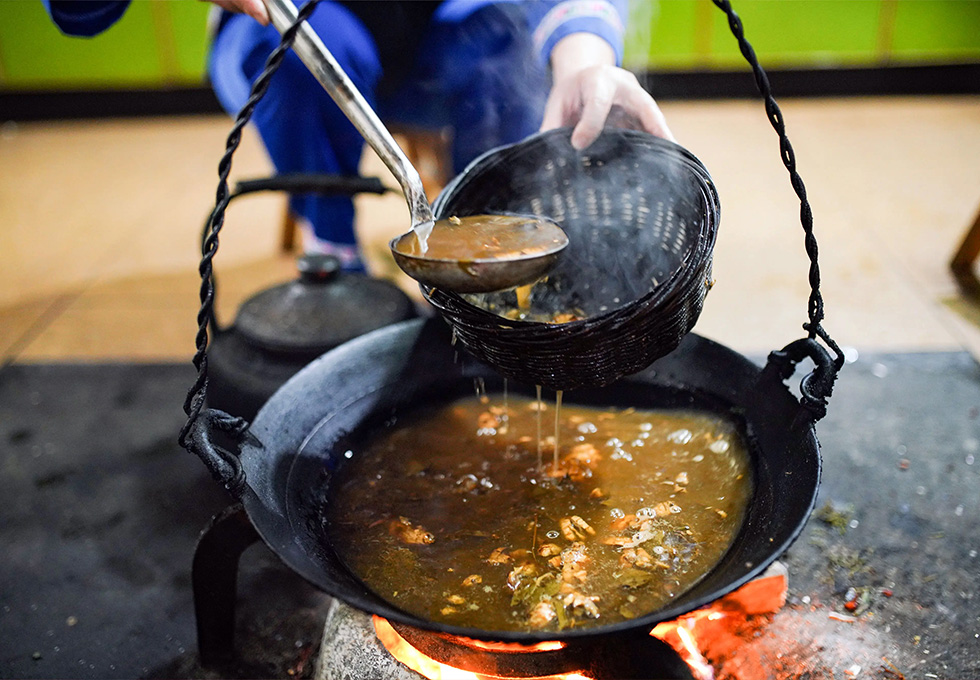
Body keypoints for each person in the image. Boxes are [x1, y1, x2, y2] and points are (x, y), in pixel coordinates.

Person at [44, 0, 673, 271]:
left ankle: (488, 250)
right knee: (301, 57)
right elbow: (76, 13)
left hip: (435, 37)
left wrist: (585, 58)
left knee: (502, 27)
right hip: (292, 31)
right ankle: (335, 255)